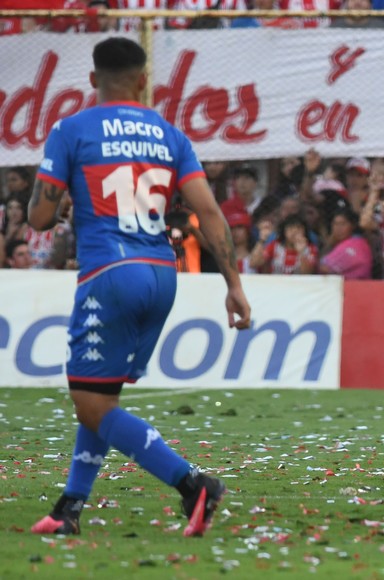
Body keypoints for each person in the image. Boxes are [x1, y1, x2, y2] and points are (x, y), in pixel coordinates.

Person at [27, 37, 251, 538]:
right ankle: (70, 507)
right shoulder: (170, 135)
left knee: (90, 402)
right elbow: (209, 214)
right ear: (144, 80)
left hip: (110, 273)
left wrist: (64, 204)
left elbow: (39, 216)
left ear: (92, 80)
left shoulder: (72, 129)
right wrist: (233, 284)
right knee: (100, 395)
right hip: (162, 271)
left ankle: (193, 484)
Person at [318, 208, 373, 279]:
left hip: (358, 287)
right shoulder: (338, 244)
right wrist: (329, 244)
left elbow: (324, 267)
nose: (338, 228)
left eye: (343, 224)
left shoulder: (356, 244)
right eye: (335, 224)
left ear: (352, 225)